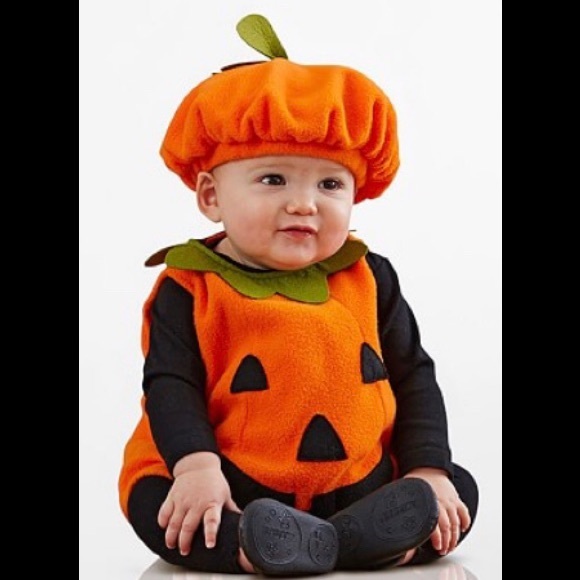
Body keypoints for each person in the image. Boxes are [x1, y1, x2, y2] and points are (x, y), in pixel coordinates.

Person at [118, 14, 479, 576]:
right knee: (160, 505)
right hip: (229, 482)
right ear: (211, 196)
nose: (304, 203)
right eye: (273, 179)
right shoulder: (189, 288)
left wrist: (427, 470)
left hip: (362, 479)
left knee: (456, 491)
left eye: (330, 184)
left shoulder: (369, 277)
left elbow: (414, 375)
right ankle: (249, 544)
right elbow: (170, 385)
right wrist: (194, 467)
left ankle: (378, 538)